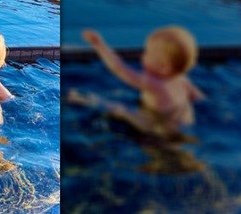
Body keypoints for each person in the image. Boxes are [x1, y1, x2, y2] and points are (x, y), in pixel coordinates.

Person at [68, 26, 206, 139]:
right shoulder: (182, 80)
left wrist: (98, 44)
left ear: (163, 66)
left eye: (148, 53)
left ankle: (85, 100)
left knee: (120, 109)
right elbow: (200, 99)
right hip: (185, 124)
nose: (143, 56)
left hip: (156, 129)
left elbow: (119, 69)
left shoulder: (154, 84)